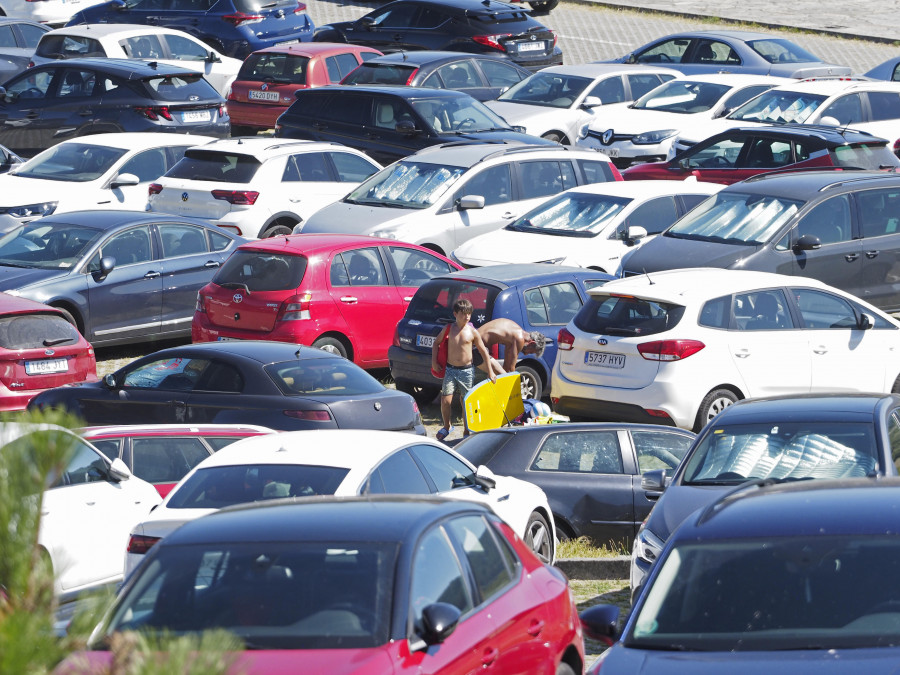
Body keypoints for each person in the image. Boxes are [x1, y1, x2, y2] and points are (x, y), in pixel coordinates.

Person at [432, 298, 495, 442]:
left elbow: (484, 352)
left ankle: (466, 429)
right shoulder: (449, 328)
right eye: (463, 314)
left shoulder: (472, 332)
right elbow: (436, 343)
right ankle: (447, 426)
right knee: (445, 400)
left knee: (466, 401)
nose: (466, 317)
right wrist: (434, 362)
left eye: (469, 314)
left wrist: (490, 371)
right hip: (450, 370)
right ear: (455, 313)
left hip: (466, 371)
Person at [475, 318, 547, 375]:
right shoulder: (519, 339)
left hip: (476, 345)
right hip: (476, 347)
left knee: (501, 375)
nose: (525, 354)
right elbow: (510, 369)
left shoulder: (515, 333)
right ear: (531, 343)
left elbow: (507, 365)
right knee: (504, 377)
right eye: (530, 352)